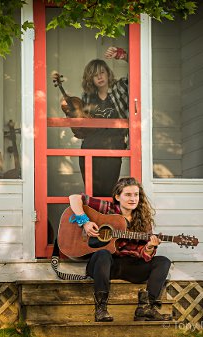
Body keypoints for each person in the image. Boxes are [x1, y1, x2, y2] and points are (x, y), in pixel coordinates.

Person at [68, 177, 172, 322]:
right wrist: (85, 222)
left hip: (130, 267)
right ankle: (101, 309)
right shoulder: (108, 209)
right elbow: (74, 198)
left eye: (136, 195)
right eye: (128, 195)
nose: (133, 198)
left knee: (163, 262)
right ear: (118, 196)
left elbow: (143, 253)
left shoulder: (143, 220)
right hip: (105, 266)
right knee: (103, 253)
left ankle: (146, 308)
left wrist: (148, 248)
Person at [63, 47, 129, 197]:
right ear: (90, 79)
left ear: (107, 73)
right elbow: (82, 128)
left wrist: (123, 56)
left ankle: (106, 220)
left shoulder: (119, 88)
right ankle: (94, 220)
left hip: (113, 147)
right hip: (90, 148)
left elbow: (138, 73)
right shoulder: (87, 97)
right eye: (95, 75)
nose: (99, 77)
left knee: (108, 192)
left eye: (102, 72)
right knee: (92, 193)